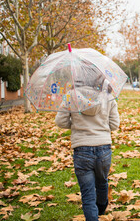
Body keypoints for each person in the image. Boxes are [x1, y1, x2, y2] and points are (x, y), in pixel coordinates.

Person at [55, 75, 120, 221]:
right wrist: (101, 127)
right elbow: (115, 125)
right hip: (103, 148)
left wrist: (76, 125)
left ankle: (93, 216)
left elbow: (60, 121)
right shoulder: (108, 96)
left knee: (87, 194)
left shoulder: (70, 96)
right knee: (102, 182)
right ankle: (101, 212)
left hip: (82, 149)